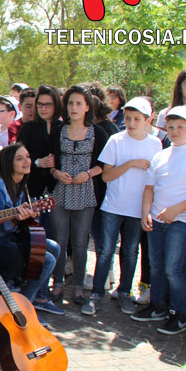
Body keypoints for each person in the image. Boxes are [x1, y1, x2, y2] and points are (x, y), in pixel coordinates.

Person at [132, 107, 186, 335]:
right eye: (171, 127)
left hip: (185, 222)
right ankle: (157, 306)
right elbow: (149, 188)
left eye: (180, 127)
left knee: (173, 269)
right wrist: (146, 213)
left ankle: (179, 313)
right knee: (156, 266)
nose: (175, 131)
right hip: (157, 220)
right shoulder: (161, 155)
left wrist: (175, 210)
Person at [82, 98, 162, 317]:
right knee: (105, 250)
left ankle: (124, 291)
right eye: (128, 118)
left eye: (137, 119)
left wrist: (148, 209)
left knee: (130, 252)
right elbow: (106, 176)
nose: (132, 123)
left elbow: (155, 180)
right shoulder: (116, 140)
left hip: (137, 209)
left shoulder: (155, 144)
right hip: (113, 206)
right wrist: (130, 164)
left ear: (148, 120)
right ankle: (97, 293)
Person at [0, 144, 64, 318]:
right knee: (46, 258)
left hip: (12, 236)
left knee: (54, 247)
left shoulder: (21, 184)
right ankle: (23, 308)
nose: (26, 161)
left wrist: (31, 215)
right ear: (8, 163)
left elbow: (21, 221)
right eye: (19, 159)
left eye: (27, 156)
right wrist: (16, 218)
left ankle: (39, 298)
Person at [49, 85, 108, 305]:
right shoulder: (59, 130)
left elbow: (104, 163)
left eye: (79, 103)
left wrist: (88, 173)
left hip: (85, 192)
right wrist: (56, 173)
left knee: (81, 242)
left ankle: (79, 287)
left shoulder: (98, 132)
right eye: (71, 103)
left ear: (87, 107)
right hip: (61, 191)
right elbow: (50, 161)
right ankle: (57, 284)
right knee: (59, 241)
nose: (74, 108)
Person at [17, 85, 62, 199]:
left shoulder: (63, 127)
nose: (43, 108)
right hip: (33, 185)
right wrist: (37, 162)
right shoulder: (28, 128)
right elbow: (17, 157)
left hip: (59, 186)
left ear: (56, 105)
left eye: (48, 105)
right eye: (40, 104)